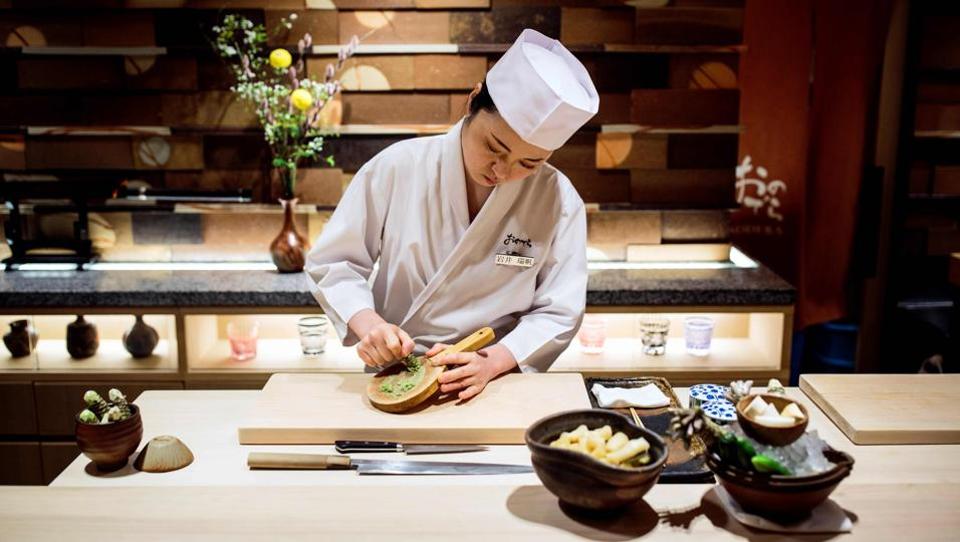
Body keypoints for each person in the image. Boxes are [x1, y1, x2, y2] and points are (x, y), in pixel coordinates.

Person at [306, 29, 598, 401]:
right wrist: (371, 327)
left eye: (529, 162)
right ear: (472, 100)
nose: (502, 171)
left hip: (493, 380)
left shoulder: (559, 199)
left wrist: (492, 362)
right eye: (494, 146)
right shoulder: (398, 167)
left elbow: (559, 310)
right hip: (395, 373)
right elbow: (335, 263)